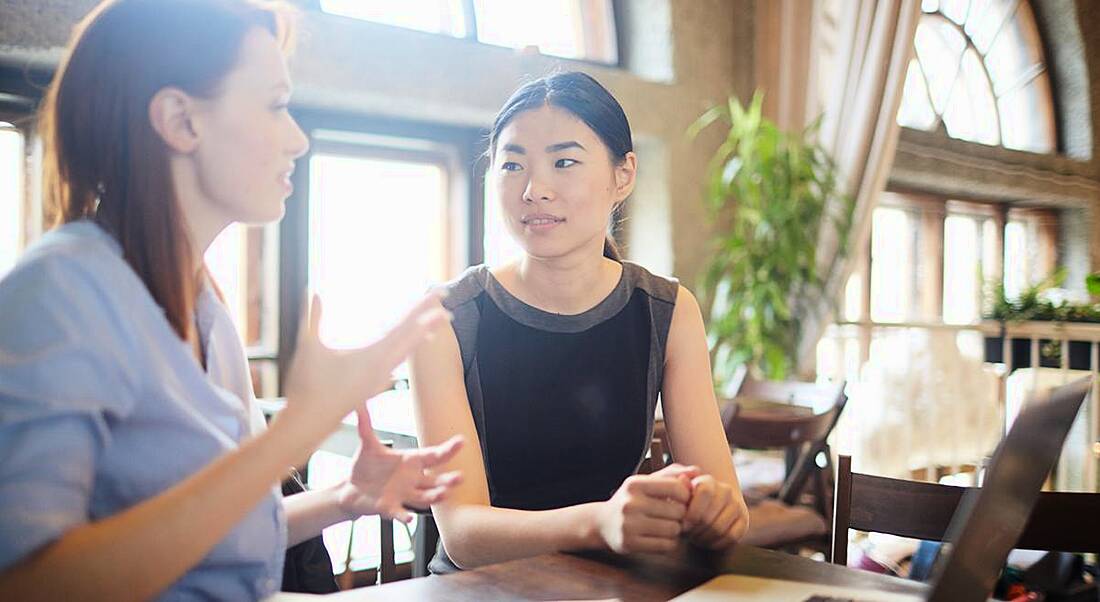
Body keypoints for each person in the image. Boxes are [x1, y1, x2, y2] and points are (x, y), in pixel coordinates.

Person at [0, 1, 463, 599]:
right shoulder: (59, 294)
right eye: (275, 105)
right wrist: (294, 432)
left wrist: (345, 500)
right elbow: (27, 581)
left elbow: (202, 538)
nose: (297, 139)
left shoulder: (204, 307)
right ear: (180, 120)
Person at [410, 71, 749, 573]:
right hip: (482, 590)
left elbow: (730, 510)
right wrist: (600, 523)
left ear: (623, 175)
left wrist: (713, 511)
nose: (534, 189)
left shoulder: (668, 310)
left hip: (615, 584)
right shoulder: (445, 317)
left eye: (563, 162)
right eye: (512, 165)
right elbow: (462, 535)